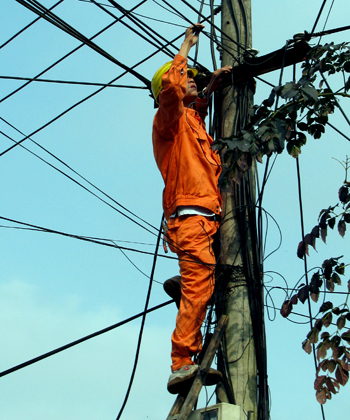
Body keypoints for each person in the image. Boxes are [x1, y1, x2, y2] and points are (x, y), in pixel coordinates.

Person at [151, 24, 232, 394]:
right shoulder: (166, 121)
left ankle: (185, 285)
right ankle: (182, 363)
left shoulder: (190, 122)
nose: (193, 82)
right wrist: (184, 47)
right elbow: (171, 91)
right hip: (191, 218)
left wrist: (212, 86)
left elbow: (195, 108)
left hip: (207, 219)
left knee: (205, 284)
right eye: (189, 79)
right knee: (201, 289)